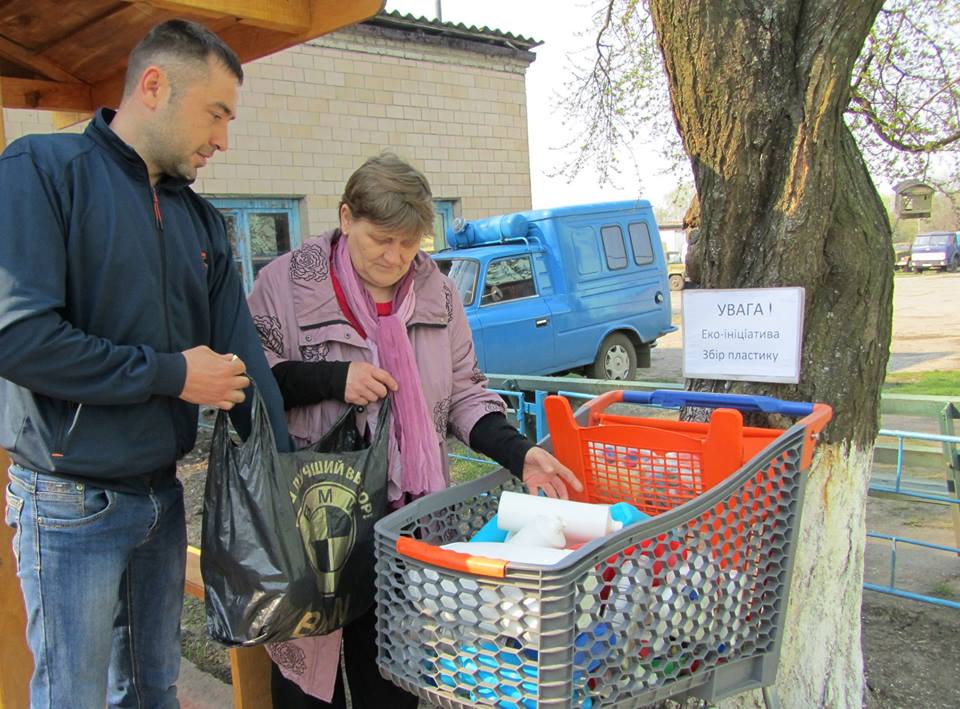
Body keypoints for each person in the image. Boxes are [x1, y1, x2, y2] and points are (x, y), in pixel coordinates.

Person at [0, 19, 289, 708]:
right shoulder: (40, 171)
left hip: (161, 497)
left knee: (154, 688)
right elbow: (19, 338)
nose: (223, 138)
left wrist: (289, 482)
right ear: (154, 86)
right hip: (70, 500)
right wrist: (172, 374)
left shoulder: (201, 222)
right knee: (72, 695)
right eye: (216, 113)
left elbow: (242, 357)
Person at [247, 153, 583, 708]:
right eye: (381, 239)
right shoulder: (287, 282)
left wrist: (519, 453)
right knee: (307, 687)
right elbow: (251, 381)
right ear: (346, 216)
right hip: (311, 522)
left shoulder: (438, 292)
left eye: (409, 244)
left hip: (406, 522)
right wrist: (332, 378)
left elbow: (464, 392)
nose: (395, 258)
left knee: (395, 679)